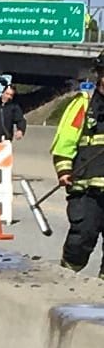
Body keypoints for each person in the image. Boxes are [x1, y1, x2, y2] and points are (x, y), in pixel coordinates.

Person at [51, 61, 104, 273]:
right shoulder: (83, 104)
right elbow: (65, 141)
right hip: (86, 189)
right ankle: (65, 280)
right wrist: (64, 170)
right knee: (81, 238)